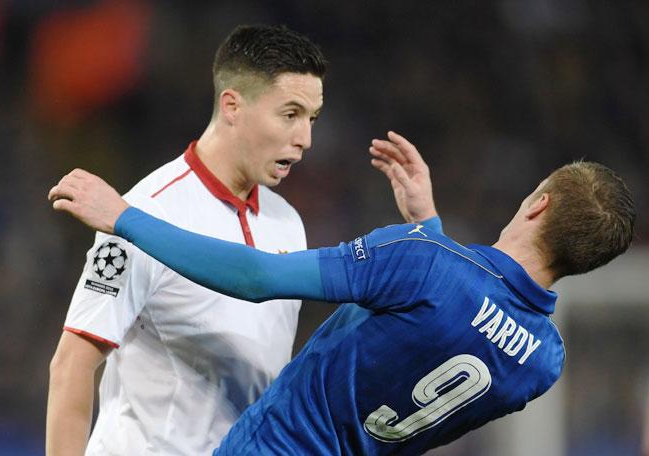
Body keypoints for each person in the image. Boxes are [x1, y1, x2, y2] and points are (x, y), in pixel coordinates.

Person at [49, 148, 635, 455]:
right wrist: (427, 227)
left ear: (537, 204)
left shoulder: (423, 262)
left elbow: (256, 276)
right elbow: (452, 330)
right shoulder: (543, 363)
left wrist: (124, 217)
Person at [45, 24, 337, 455]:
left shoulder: (288, 222)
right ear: (232, 105)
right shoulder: (143, 214)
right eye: (290, 114)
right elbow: (71, 366)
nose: (305, 139)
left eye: (312, 118)